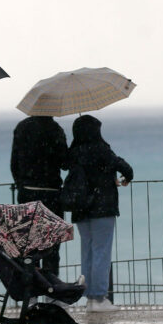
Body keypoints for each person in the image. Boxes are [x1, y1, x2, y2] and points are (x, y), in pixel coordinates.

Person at [67, 115, 133, 312]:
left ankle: (88, 298)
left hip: (80, 207)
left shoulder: (74, 152)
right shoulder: (101, 149)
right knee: (101, 252)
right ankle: (100, 298)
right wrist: (125, 177)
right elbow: (124, 166)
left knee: (87, 252)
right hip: (102, 207)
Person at [10, 115, 69, 276]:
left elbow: (14, 163)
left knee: (29, 245)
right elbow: (65, 163)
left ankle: (31, 292)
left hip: (27, 192)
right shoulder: (56, 129)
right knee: (52, 245)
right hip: (52, 193)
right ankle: (51, 289)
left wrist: (22, 185)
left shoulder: (21, 127)